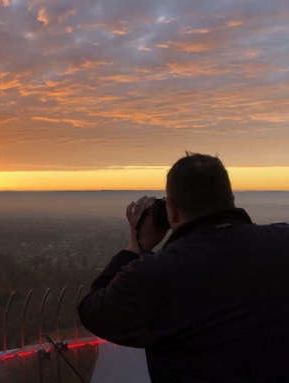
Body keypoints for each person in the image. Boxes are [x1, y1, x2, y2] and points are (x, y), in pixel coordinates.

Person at [77, 153, 289, 382]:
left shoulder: (157, 274)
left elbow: (93, 311)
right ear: (231, 198)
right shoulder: (283, 241)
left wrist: (135, 247)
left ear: (172, 210)